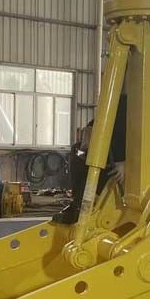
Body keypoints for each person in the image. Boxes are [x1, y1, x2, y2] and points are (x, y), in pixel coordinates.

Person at [53, 94, 127, 224]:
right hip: (102, 166)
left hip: (118, 172)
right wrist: (82, 151)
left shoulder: (131, 122)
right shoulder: (99, 122)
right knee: (77, 154)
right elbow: (83, 146)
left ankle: (80, 206)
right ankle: (79, 205)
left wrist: (125, 164)